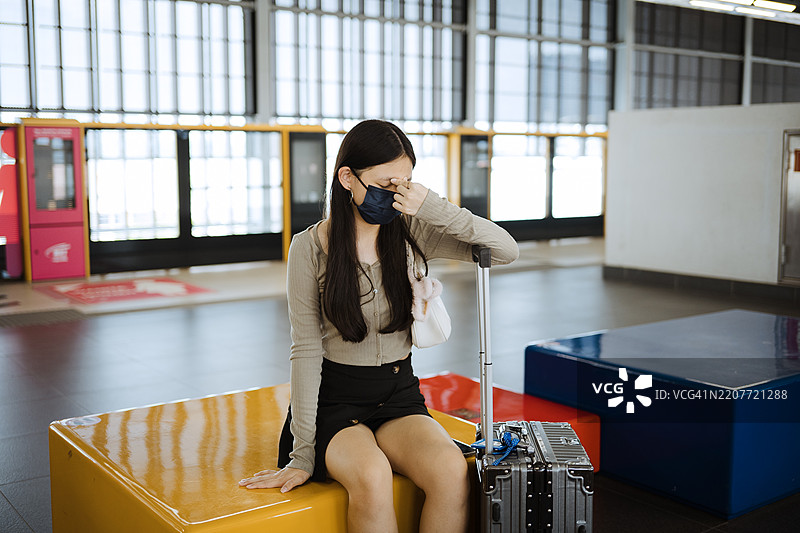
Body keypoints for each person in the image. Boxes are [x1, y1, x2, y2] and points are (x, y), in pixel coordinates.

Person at [239, 119, 518, 532]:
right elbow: (306, 348)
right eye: (387, 184)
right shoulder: (309, 248)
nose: (396, 195)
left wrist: (433, 207)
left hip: (398, 392)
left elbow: (505, 249)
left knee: (449, 471)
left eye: (406, 183)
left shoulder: (413, 231)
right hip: (337, 401)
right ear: (348, 178)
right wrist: (302, 452)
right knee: (372, 478)